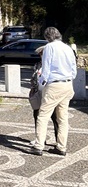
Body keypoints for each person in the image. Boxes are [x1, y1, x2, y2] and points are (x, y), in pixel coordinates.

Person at [29, 27, 77, 156]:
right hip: (67, 84)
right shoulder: (68, 48)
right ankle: (61, 147)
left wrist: (41, 84)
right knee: (62, 118)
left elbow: (46, 68)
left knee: (43, 116)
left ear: (47, 37)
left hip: (54, 85)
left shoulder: (49, 47)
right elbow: (74, 69)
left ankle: (38, 146)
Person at [28, 47, 58, 146]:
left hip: (50, 93)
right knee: (37, 116)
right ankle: (40, 139)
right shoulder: (38, 65)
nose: (41, 56)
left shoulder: (54, 65)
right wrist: (33, 88)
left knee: (55, 117)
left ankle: (59, 140)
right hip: (38, 93)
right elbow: (34, 77)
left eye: (43, 54)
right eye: (40, 54)